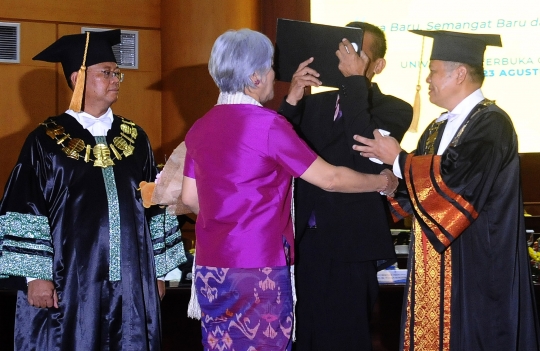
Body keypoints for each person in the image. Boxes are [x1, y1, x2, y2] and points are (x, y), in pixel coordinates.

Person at [179, 28, 399, 351]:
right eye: (270, 68)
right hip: (259, 268)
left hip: (212, 268)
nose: (273, 75)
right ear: (255, 78)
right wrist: (383, 182)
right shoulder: (268, 125)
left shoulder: (201, 126)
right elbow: (331, 179)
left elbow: (189, 198)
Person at [353, 30, 540, 350]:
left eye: (434, 70)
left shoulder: (492, 124)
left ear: (460, 73)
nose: (427, 78)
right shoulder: (437, 127)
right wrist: (390, 182)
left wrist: (397, 159)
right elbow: (424, 193)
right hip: (434, 264)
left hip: (477, 264)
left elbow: (456, 182)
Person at [0, 29, 186, 350]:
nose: (116, 79)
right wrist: (35, 276)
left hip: (132, 274)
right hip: (70, 277)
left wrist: (163, 269)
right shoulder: (46, 140)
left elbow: (156, 203)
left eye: (117, 73)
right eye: (106, 73)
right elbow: (25, 208)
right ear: (78, 79)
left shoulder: (135, 138)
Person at [277, 22, 412, 350]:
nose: (346, 58)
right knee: (300, 337)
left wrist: (354, 81)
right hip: (304, 242)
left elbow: (364, 146)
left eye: (357, 53)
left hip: (351, 243)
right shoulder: (315, 105)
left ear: (376, 65)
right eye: (342, 50)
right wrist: (293, 98)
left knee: (345, 338)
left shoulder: (394, 108)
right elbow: (279, 145)